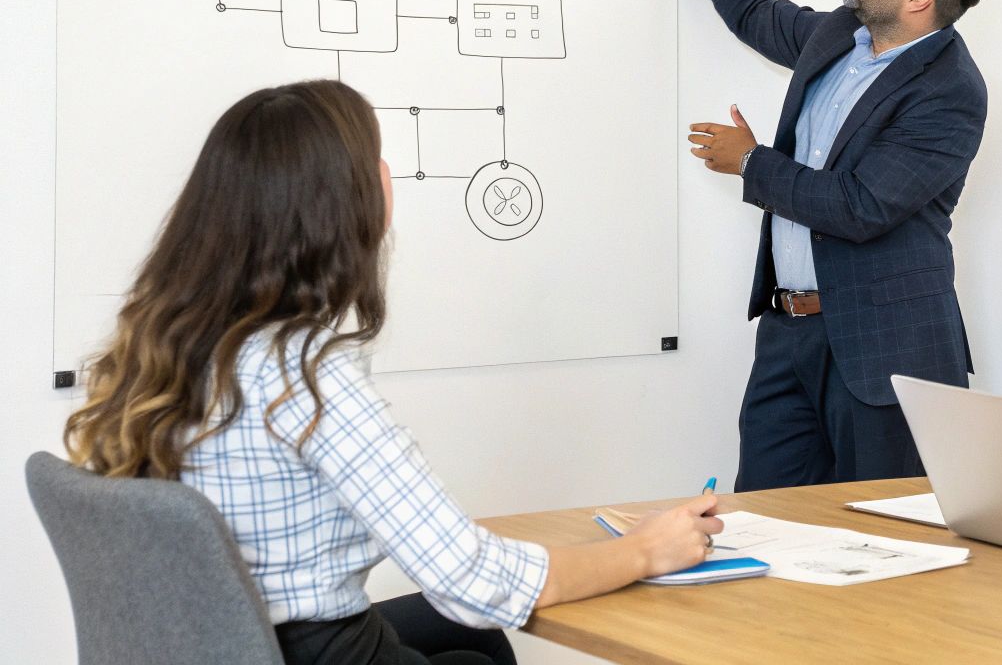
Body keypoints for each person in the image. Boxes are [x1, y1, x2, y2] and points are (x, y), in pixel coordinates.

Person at [63, 80, 723, 665]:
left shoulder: (165, 346)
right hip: (307, 649)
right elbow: (470, 580)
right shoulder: (303, 374)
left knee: (477, 642)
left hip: (221, 641)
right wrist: (644, 551)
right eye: (375, 162)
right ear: (340, 206)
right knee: (475, 638)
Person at [640, 0, 995, 491]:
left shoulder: (952, 91)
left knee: (883, 544)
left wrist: (750, 163)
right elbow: (753, 11)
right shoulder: (838, 38)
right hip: (788, 335)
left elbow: (858, 207)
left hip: (887, 350)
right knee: (764, 529)